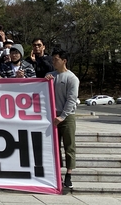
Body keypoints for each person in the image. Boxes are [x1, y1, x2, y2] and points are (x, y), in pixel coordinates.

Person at [45, 49, 79, 189]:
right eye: (53, 59)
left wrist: (62, 116)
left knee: (69, 145)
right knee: (54, 146)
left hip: (67, 116)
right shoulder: (51, 76)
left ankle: (69, 175)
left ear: (64, 61)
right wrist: (45, 80)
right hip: (53, 116)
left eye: (56, 59)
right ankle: (56, 173)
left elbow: (71, 100)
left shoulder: (72, 78)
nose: (54, 62)